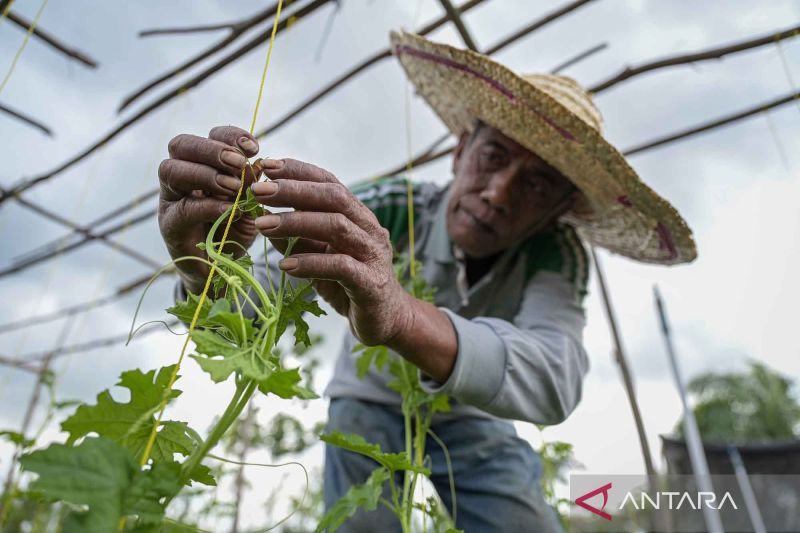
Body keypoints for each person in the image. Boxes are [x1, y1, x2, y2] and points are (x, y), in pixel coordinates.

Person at [157, 31, 696, 532]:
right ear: (460, 152)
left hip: (471, 416)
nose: (499, 193)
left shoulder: (555, 254)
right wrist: (205, 269)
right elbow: (244, 322)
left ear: (559, 210)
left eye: (536, 184)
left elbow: (555, 376)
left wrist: (401, 315)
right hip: (367, 402)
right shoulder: (389, 208)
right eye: (493, 157)